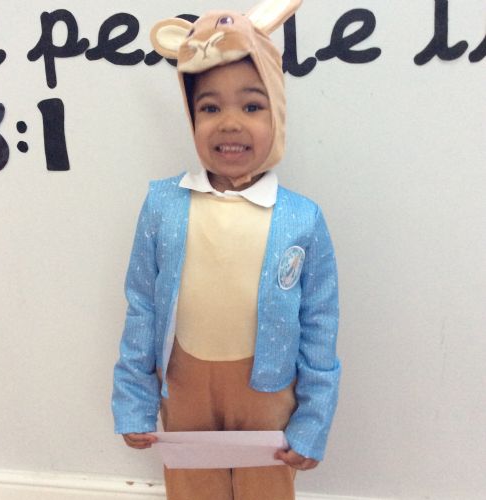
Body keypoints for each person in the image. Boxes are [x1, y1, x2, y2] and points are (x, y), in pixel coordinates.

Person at [112, 1, 340, 499]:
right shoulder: (163, 205)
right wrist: (134, 401)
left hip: (268, 392)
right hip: (184, 388)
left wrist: (313, 422)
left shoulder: (302, 218)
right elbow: (142, 306)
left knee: (265, 486)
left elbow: (320, 326)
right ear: (191, 115)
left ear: (277, 112)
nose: (229, 123)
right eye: (210, 108)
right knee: (193, 485)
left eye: (252, 106)